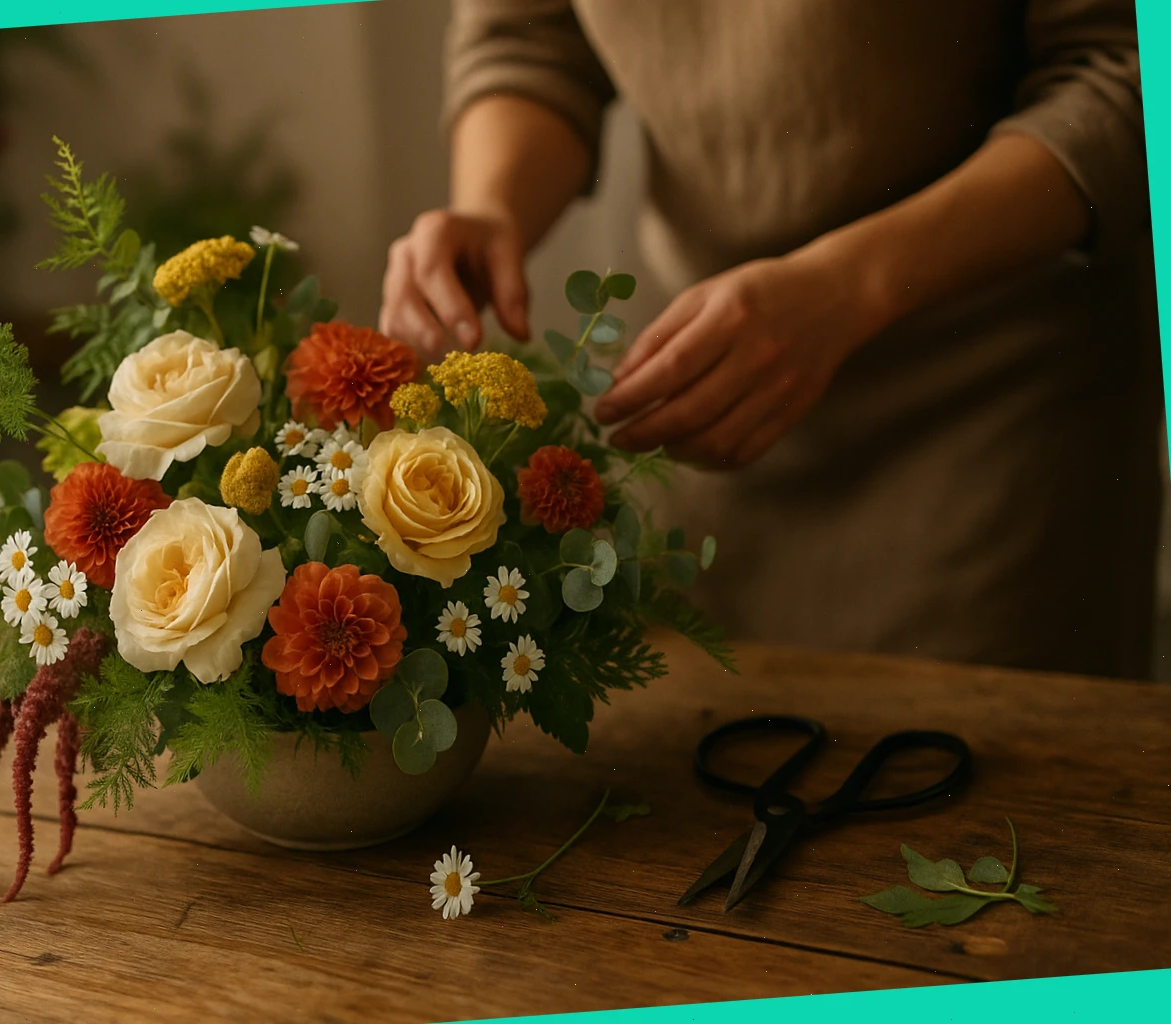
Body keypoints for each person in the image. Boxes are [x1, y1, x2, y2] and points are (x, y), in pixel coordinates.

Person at [380, 0, 1162, 680]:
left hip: (992, 428)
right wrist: (493, 207)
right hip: (709, 410)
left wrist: (851, 287)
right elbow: (529, 39)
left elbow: (1125, 74)